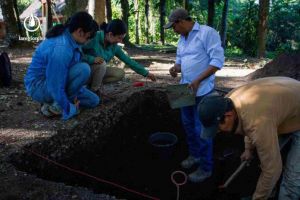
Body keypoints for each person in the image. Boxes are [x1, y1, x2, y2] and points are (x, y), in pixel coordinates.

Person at [198, 77, 300, 200]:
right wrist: (248, 149)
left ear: (228, 115)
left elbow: (272, 169)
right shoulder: (228, 101)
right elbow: (247, 121)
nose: (218, 132)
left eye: (218, 128)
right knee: (267, 159)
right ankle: (269, 194)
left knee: (291, 177)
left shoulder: (258, 124)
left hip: (293, 110)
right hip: (286, 108)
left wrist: (258, 198)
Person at [165, 8, 224, 182]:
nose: (173, 31)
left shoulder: (208, 33)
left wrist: (198, 79)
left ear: (181, 22)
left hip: (203, 89)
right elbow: (180, 62)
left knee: (202, 130)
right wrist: (175, 68)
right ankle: (195, 155)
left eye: (173, 27)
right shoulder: (181, 39)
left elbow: (217, 62)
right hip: (184, 89)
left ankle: (206, 168)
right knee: (188, 125)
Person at [24, 12, 99, 120]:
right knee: (83, 69)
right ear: (80, 31)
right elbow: (55, 85)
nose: (88, 40)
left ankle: (56, 103)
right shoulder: (62, 48)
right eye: (88, 37)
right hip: (40, 86)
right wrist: (70, 108)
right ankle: (57, 106)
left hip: (58, 82)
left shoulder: (72, 39)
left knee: (93, 101)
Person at [82, 19, 156, 95]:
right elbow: (78, 53)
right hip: (84, 71)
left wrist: (146, 73)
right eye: (119, 38)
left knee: (119, 73)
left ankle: (92, 85)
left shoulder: (114, 47)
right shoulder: (93, 37)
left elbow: (128, 61)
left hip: (98, 72)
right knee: (102, 63)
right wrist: (92, 59)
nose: (120, 41)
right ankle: (94, 91)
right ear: (110, 34)